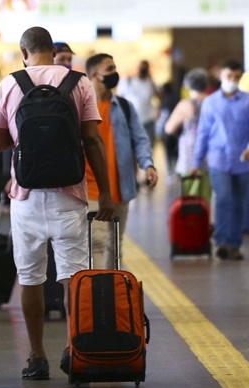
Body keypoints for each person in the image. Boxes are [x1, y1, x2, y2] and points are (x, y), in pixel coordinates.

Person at [0, 26, 116, 380]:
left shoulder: (10, 84)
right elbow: (92, 140)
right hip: (70, 195)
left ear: (24, 52)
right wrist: (104, 193)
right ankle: (75, 352)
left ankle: (36, 357)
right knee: (72, 278)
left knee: (30, 277)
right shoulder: (79, 83)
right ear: (51, 49)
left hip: (26, 197)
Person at [84, 53, 158, 270]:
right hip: (90, 189)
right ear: (95, 75)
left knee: (115, 246)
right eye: (110, 69)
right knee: (97, 244)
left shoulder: (124, 106)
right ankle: (97, 295)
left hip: (120, 187)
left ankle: (110, 295)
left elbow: (140, 138)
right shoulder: (80, 108)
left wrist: (148, 164)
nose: (114, 73)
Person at [191, 59, 249, 261]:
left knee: (239, 203)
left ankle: (234, 244)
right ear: (221, 75)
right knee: (223, 198)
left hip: (242, 160)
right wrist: (196, 161)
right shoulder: (210, 102)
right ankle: (221, 241)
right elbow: (203, 133)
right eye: (229, 76)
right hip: (218, 160)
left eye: (236, 77)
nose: (232, 80)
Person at [165, 67, 212, 204]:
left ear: (187, 86)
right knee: (205, 198)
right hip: (210, 156)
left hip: (189, 156)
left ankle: (192, 224)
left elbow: (169, 129)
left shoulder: (185, 105)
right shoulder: (212, 102)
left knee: (190, 198)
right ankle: (205, 222)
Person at [118, 60, 161, 145]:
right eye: (141, 67)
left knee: (148, 148)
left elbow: (159, 96)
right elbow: (119, 98)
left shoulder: (150, 82)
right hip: (131, 121)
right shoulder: (127, 81)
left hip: (148, 120)